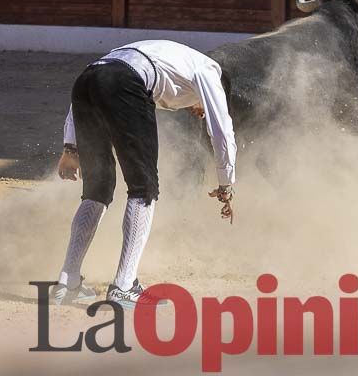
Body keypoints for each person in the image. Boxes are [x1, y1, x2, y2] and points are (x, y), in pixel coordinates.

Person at [50, 39, 236, 308]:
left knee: (97, 189)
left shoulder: (167, 56)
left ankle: (67, 283)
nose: (199, 114)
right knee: (144, 188)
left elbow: (100, 75)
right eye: (203, 110)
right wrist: (226, 184)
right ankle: (125, 286)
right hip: (124, 83)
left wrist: (71, 146)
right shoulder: (209, 71)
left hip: (86, 81)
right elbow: (221, 131)